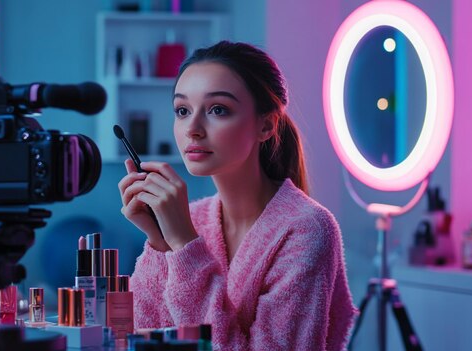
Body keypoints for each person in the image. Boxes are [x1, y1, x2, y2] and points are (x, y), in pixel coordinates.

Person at [118, 40, 356, 350]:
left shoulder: (307, 229)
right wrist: (161, 244)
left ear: (266, 125)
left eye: (218, 109)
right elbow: (140, 337)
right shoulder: (193, 219)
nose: (192, 128)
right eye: (182, 110)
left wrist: (185, 246)